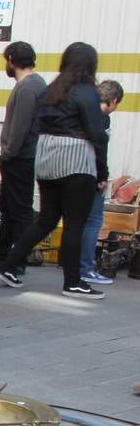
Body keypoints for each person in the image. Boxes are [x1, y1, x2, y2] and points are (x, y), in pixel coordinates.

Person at [0, 42, 110, 300]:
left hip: (47, 158)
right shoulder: (87, 91)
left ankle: (8, 265)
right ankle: (73, 282)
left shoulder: (51, 90)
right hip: (76, 159)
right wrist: (102, 172)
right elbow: (97, 134)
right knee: (75, 223)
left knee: (46, 219)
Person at [0, 41, 45, 270]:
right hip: (20, 156)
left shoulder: (27, 88)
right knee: (8, 208)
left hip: (20, 158)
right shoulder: (34, 84)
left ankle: (17, 260)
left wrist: (8, 154)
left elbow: (20, 127)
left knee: (19, 210)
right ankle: (1, 253)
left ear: (11, 61)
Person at [80, 80, 125, 284]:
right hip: (91, 175)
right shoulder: (102, 119)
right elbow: (100, 150)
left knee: (72, 222)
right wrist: (102, 176)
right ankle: (85, 268)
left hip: (71, 172)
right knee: (93, 221)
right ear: (114, 100)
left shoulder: (82, 112)